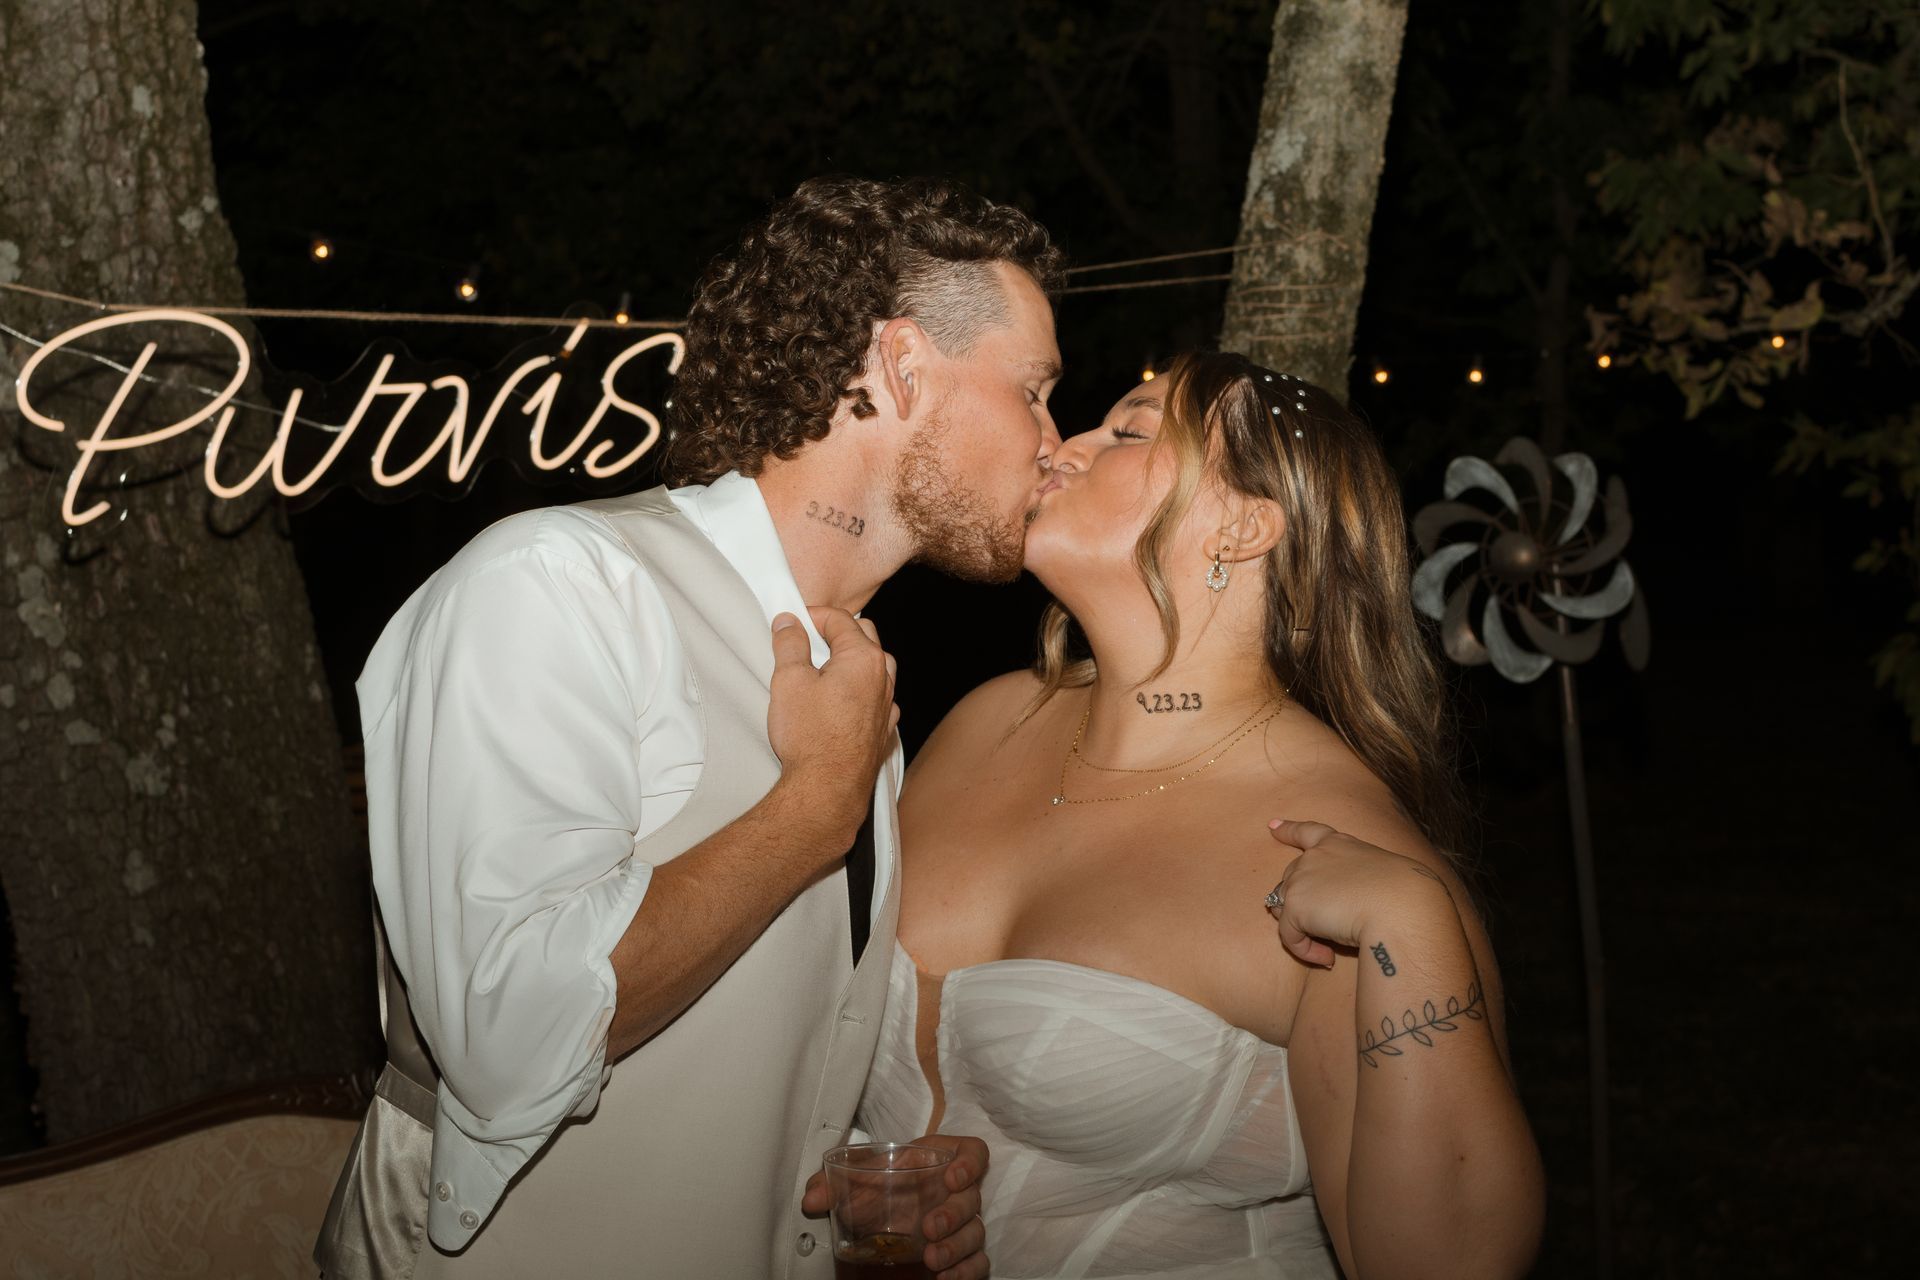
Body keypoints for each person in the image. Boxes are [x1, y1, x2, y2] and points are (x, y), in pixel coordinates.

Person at [315, 175, 1071, 1279]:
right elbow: (509, 1036)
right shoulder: (556, 584)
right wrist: (811, 809)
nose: (1055, 441)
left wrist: (853, 1169)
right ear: (904, 365)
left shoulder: (855, 681)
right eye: (1036, 389)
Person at [854, 352, 1547, 1278]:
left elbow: (1449, 1265)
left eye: (1130, 431)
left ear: (1243, 525)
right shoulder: (985, 722)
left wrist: (1409, 927)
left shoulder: (1343, 848)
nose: (1061, 445)